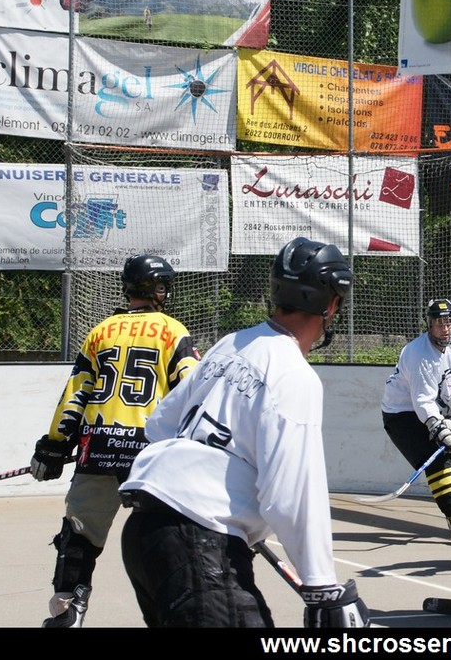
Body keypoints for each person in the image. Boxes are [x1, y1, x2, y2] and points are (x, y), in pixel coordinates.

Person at [117, 237, 369, 629]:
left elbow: (161, 425)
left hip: (146, 534)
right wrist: (322, 586)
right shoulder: (294, 375)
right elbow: (292, 493)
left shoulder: (230, 344)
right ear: (332, 303)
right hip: (199, 543)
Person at [29, 253, 199, 628]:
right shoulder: (174, 331)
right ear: (157, 290)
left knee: (78, 535)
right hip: (149, 456)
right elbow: (193, 390)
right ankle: (179, 612)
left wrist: (54, 445)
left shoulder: (101, 331)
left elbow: (76, 394)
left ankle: (68, 612)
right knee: (166, 536)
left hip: (99, 447)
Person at [380, 298, 451, 552]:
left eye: (449, 321)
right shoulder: (418, 354)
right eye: (439, 323)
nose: (445, 328)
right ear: (429, 324)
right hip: (402, 414)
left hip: (436, 407)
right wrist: (439, 428)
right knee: (438, 460)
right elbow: (422, 400)